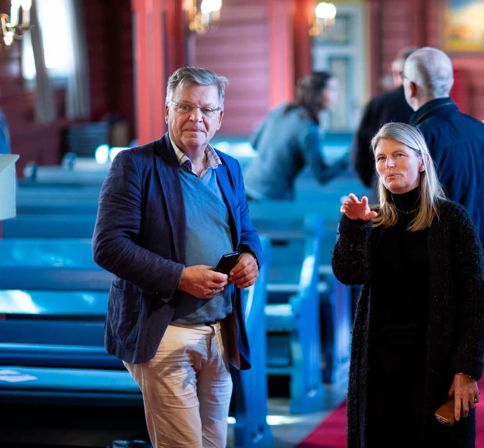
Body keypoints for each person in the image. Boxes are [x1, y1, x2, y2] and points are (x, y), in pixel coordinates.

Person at [93, 66, 263, 446]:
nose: (195, 117)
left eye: (206, 109)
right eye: (184, 106)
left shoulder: (229, 168)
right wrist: (180, 277)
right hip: (163, 330)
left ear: (220, 117)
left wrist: (250, 256)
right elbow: (108, 246)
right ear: (167, 110)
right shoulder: (135, 165)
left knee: (213, 440)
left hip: (220, 332)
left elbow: (245, 229)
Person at [333, 122, 484, 447]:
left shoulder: (451, 219)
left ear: (422, 161)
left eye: (398, 155)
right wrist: (352, 226)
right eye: (381, 158)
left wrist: (466, 369)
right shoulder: (372, 220)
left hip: (436, 364)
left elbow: (477, 299)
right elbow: (349, 274)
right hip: (379, 367)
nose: (388, 164)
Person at [403, 46, 484, 296]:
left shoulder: (418, 140)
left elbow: (411, 212)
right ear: (450, 82)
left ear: (410, 87)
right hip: (482, 261)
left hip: (440, 270)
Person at [244, 71, 348, 200]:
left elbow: (254, 143)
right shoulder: (309, 130)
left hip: (245, 185)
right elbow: (322, 176)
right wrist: (349, 157)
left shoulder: (281, 109)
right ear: (318, 93)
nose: (336, 96)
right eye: (332, 90)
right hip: (270, 198)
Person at [352, 47, 416, 195]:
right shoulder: (429, 104)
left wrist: (375, 180)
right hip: (427, 193)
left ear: (400, 73)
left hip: (384, 188)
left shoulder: (378, 104)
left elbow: (359, 152)